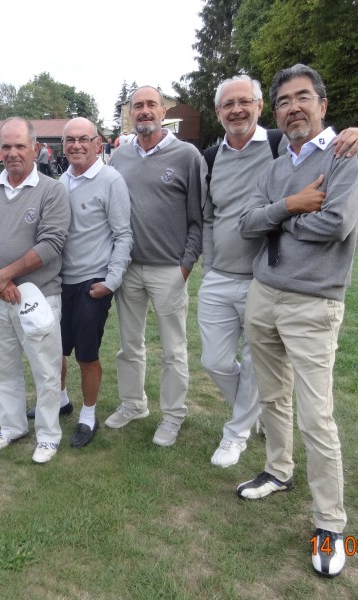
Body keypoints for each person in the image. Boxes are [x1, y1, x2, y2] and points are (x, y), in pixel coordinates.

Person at [237, 64, 358, 577]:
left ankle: (330, 523)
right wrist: (293, 205)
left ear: (323, 104)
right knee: (273, 395)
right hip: (264, 295)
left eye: (302, 97)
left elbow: (336, 224)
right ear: (275, 112)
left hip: (313, 303)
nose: (293, 107)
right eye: (283, 101)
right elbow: (247, 223)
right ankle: (278, 470)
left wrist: (277, 217)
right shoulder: (276, 167)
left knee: (316, 416)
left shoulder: (348, 153)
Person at [198, 76, 358, 468]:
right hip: (220, 274)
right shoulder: (209, 157)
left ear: (261, 106)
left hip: (265, 275)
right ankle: (259, 412)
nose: (236, 110)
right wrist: (209, 265)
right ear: (218, 111)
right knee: (215, 361)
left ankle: (236, 434)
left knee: (258, 367)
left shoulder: (280, 143)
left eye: (245, 101)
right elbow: (212, 217)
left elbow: (327, 143)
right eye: (228, 104)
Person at [0, 117, 70, 464]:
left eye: (20, 146)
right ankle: (11, 427)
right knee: (2, 367)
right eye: (6, 146)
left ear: (35, 149)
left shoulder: (52, 191)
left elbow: (51, 243)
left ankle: (48, 435)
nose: (12, 153)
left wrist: (5, 276)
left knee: (46, 369)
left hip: (39, 297)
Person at [106, 86, 202, 447]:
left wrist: (186, 265)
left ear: (164, 111)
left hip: (169, 270)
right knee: (129, 345)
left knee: (173, 350)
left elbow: (198, 216)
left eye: (151, 105)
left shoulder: (187, 155)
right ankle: (134, 404)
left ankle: (173, 415)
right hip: (128, 268)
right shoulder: (119, 157)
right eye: (137, 106)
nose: (144, 111)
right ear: (130, 113)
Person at [57, 117, 133, 448]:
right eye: (69, 140)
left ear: (97, 144)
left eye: (83, 139)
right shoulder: (62, 181)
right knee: (55, 350)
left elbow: (123, 235)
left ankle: (88, 415)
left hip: (92, 283)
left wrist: (111, 282)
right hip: (60, 282)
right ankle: (60, 400)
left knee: (86, 355)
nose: (76, 145)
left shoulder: (111, 180)